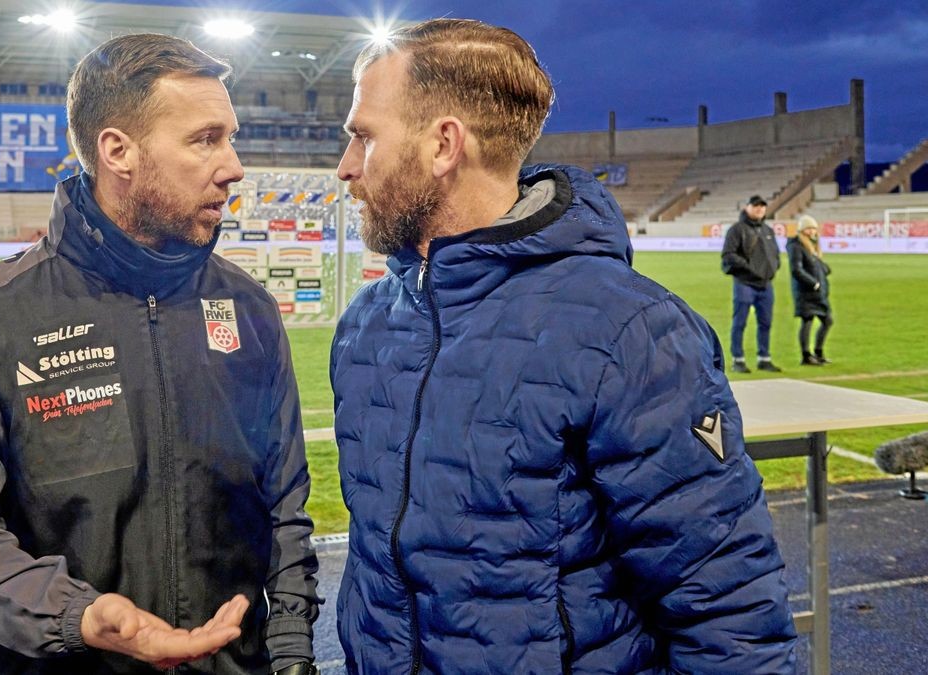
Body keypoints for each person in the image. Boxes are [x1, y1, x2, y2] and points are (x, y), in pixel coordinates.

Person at [330, 18, 796, 674]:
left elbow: (727, 608)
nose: (346, 167)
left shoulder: (632, 332)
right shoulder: (366, 325)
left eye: (362, 136)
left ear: (443, 145)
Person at [0, 33, 320, 675]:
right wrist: (77, 616)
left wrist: (290, 651)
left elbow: (286, 507)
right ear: (117, 151)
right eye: (205, 139)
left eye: (230, 137)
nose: (233, 166)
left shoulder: (249, 309)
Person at [721, 194, 783, 373]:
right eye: (756, 206)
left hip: (765, 284)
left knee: (766, 322)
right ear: (747, 207)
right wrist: (748, 268)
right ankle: (738, 359)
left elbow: (775, 254)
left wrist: (773, 268)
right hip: (744, 283)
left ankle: (764, 358)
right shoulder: (737, 230)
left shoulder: (767, 230)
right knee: (740, 322)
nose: (760, 209)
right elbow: (728, 255)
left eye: (763, 206)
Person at [788, 214, 833, 365]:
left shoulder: (812, 246)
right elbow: (796, 270)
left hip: (817, 293)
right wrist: (814, 283)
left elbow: (817, 266)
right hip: (805, 291)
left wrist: (825, 270)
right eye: (809, 228)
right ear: (802, 230)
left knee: (827, 321)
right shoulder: (796, 246)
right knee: (807, 320)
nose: (813, 231)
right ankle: (806, 355)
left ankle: (818, 352)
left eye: (814, 228)